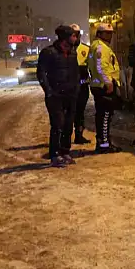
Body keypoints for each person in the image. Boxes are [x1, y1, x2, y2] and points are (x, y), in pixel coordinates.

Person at [37, 25, 80, 167]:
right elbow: (41, 73)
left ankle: (65, 152)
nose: (76, 38)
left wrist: (76, 88)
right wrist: (48, 91)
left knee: (69, 124)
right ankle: (54, 155)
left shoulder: (73, 53)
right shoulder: (48, 52)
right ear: (65, 38)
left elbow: (76, 72)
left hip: (70, 95)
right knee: (58, 124)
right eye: (73, 36)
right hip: (55, 96)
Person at [87, 23, 121, 153]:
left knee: (102, 115)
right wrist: (109, 83)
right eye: (106, 33)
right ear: (99, 34)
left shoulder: (95, 46)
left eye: (111, 33)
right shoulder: (101, 48)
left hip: (97, 85)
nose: (109, 35)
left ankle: (102, 143)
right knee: (106, 115)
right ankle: (104, 145)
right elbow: (101, 67)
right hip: (103, 86)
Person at [71, 23, 91, 145]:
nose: (74, 37)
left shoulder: (86, 49)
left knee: (80, 112)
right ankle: (65, 138)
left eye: (76, 34)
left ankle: (79, 135)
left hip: (82, 87)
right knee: (69, 113)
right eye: (72, 34)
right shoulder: (64, 49)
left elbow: (92, 68)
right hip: (69, 88)